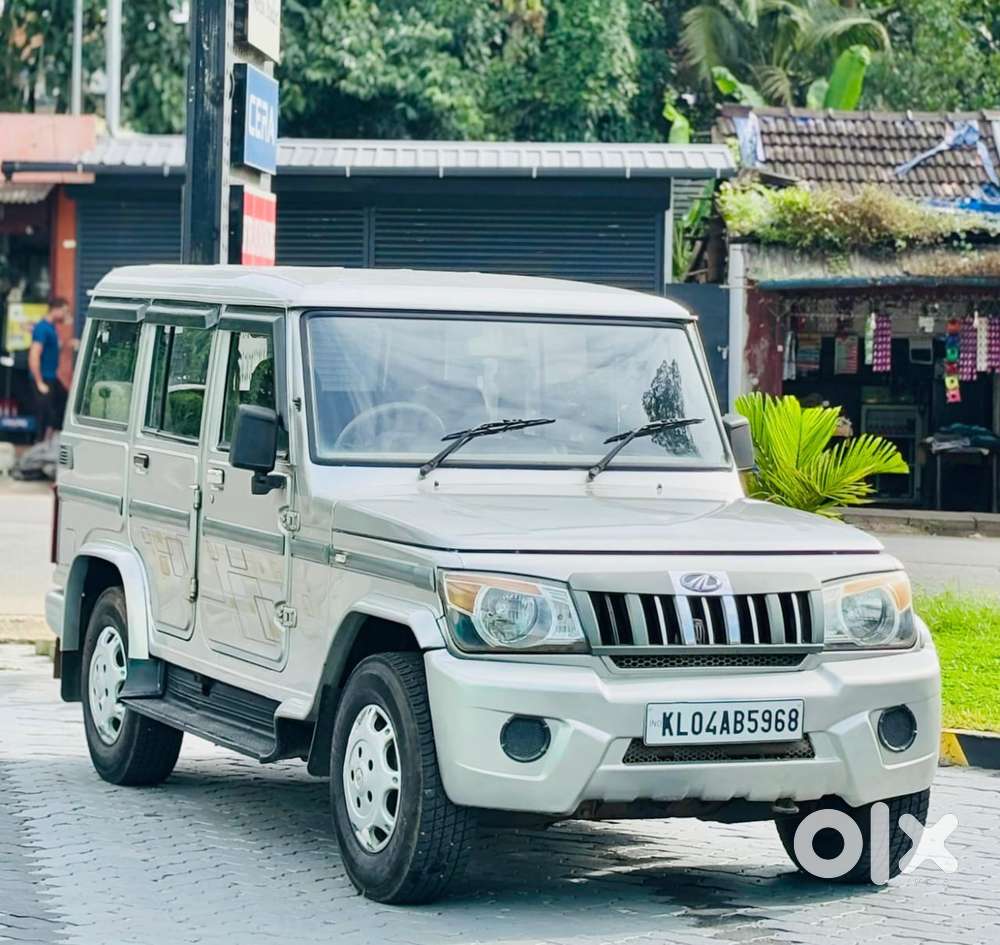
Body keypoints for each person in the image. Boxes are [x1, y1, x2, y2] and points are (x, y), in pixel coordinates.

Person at [28, 297, 71, 441]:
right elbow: (34, 355)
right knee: (44, 416)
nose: (66, 315)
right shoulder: (42, 328)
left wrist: (68, 344)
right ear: (56, 310)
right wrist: (39, 382)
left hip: (52, 377)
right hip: (43, 378)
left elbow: (53, 349)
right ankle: (39, 448)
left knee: (65, 404)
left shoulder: (51, 328)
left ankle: (51, 441)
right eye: (64, 311)